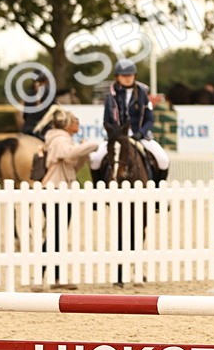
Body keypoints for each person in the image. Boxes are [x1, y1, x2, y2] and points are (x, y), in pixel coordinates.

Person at [41, 109, 98, 290]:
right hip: (56, 189)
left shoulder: (61, 139)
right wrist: (90, 145)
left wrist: (82, 152)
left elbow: (73, 164)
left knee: (57, 235)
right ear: (66, 124)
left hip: (60, 189)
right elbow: (67, 154)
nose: (77, 123)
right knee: (54, 235)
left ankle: (56, 277)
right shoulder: (60, 139)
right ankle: (40, 274)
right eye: (75, 121)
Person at [88, 59, 171, 183]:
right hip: (116, 138)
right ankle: (97, 195)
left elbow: (149, 119)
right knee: (95, 160)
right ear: (117, 77)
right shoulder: (110, 96)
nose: (127, 78)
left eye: (130, 75)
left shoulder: (143, 94)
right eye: (124, 75)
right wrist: (115, 135)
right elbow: (107, 120)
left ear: (134, 76)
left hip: (140, 137)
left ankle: (158, 195)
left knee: (163, 160)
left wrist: (141, 133)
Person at [20, 72, 54, 138]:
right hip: (42, 130)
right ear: (46, 82)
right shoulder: (49, 95)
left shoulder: (29, 95)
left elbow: (25, 115)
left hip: (27, 128)